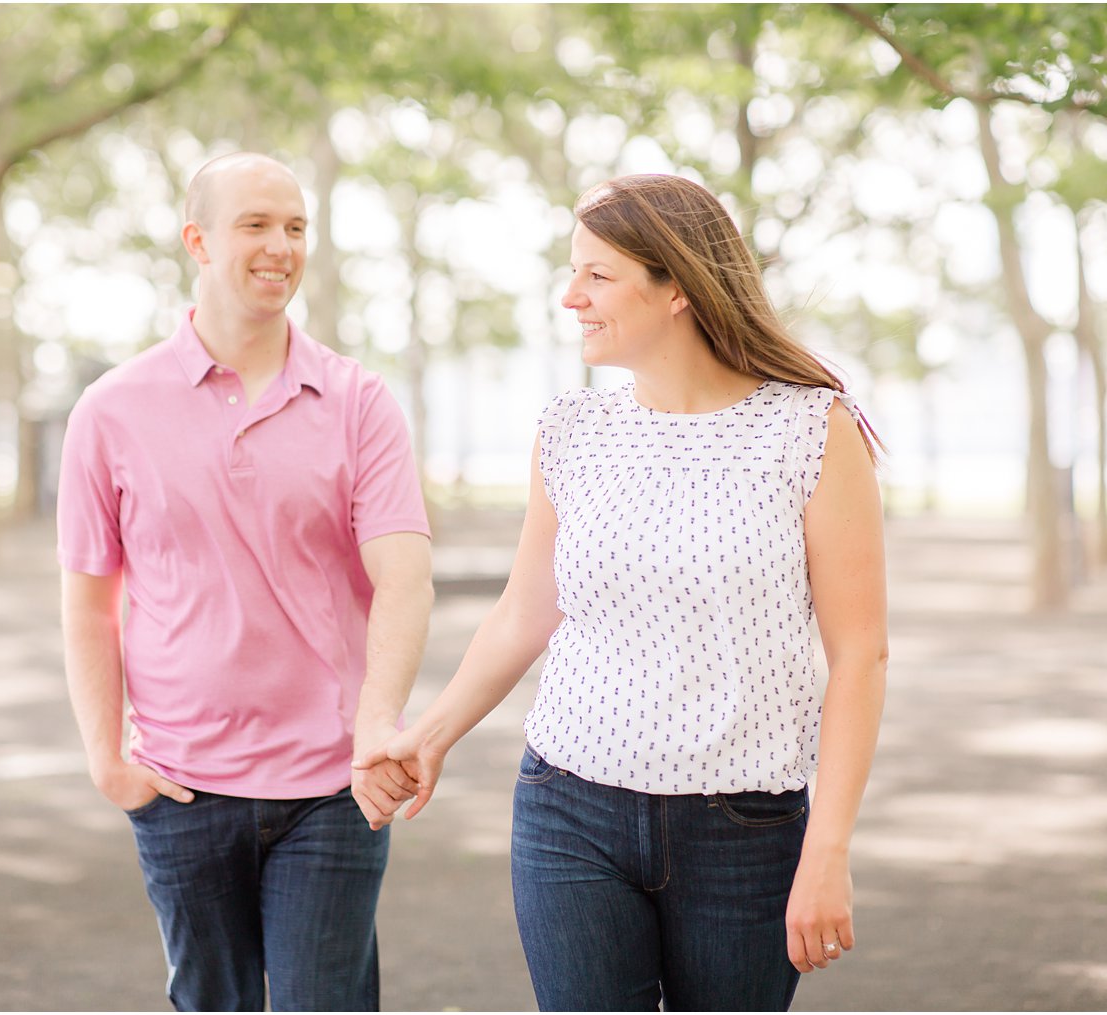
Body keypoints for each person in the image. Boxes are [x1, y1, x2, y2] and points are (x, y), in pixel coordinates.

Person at [358, 173, 888, 1011]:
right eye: (573, 273)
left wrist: (828, 848)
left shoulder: (811, 427)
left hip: (744, 829)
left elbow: (860, 653)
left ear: (675, 285)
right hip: (569, 808)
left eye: (597, 276)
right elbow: (524, 612)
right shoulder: (571, 430)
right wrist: (430, 734)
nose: (571, 297)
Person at [57, 152, 432, 1012]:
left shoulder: (358, 400)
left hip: (331, 786)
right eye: (256, 224)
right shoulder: (111, 410)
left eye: (296, 227)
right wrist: (106, 759)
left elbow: (405, 579)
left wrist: (377, 723)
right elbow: (88, 601)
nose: (281, 246)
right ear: (197, 239)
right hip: (182, 784)